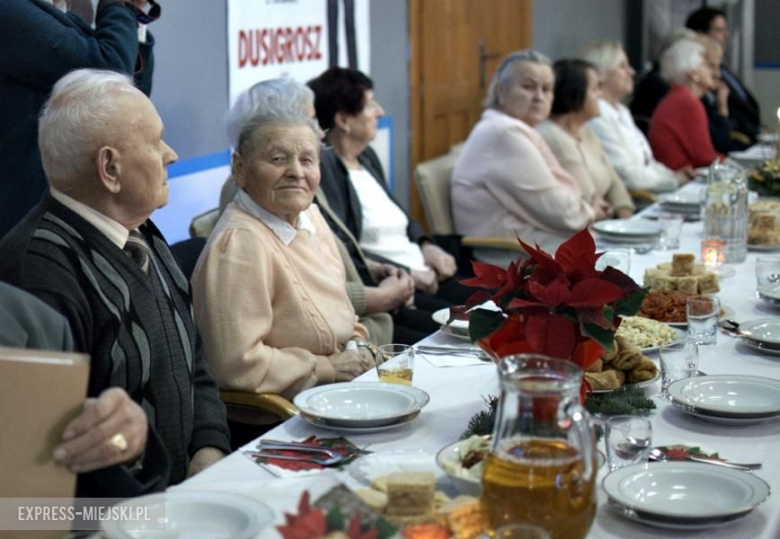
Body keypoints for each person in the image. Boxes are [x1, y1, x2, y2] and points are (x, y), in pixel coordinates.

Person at [0, 69, 230, 497]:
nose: (172, 154)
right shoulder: (37, 275)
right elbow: (40, 482)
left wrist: (209, 453)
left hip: (189, 497)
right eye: (156, 141)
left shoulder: (142, 231)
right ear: (109, 168)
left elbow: (194, 361)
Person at [191, 109, 376, 447]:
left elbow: (343, 313)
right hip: (280, 423)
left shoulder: (311, 218)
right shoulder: (240, 244)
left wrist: (358, 345)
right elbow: (235, 365)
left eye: (308, 160)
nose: (296, 172)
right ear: (240, 169)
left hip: (337, 397)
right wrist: (330, 368)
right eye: (278, 158)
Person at [220, 78, 428, 345]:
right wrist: (379, 296)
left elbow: (322, 258)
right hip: (346, 328)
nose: (320, 132)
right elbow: (298, 292)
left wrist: (375, 269)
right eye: (311, 120)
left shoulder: (304, 181)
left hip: (358, 323)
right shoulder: (249, 199)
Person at [308, 67, 469, 309]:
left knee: (501, 304)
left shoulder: (367, 157)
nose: (380, 112)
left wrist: (427, 246)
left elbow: (399, 214)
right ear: (343, 120)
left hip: (426, 268)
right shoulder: (327, 172)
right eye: (371, 105)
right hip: (399, 285)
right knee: (484, 323)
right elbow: (348, 247)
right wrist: (408, 273)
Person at [0, 0, 156, 238]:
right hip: (25, 224)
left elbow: (128, 94)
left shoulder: (76, 8)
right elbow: (107, 73)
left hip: (78, 217)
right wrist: (120, 6)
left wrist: (131, 16)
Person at [451, 50, 596, 264]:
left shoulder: (514, 128)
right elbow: (566, 214)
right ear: (502, 92)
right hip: (511, 256)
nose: (539, 97)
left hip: (536, 244)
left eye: (546, 89)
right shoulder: (504, 133)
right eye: (528, 87)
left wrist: (582, 208)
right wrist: (587, 209)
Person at [583, 41, 692, 194]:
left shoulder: (621, 111)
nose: (632, 72)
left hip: (653, 192)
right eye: (622, 66)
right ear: (602, 74)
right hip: (636, 199)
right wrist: (672, 181)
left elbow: (647, 163)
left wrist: (673, 175)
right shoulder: (597, 116)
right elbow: (625, 173)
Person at [537, 59, 635, 220]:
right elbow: (588, 197)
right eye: (596, 88)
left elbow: (615, 183)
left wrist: (627, 218)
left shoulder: (585, 130)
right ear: (575, 93)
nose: (601, 95)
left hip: (605, 226)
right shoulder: (553, 136)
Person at [686, 6, 761, 145]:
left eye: (726, 30)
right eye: (719, 30)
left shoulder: (724, 69)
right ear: (701, 33)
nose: (726, 35)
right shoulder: (695, 84)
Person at [648, 38, 725, 170]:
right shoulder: (687, 102)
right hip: (683, 182)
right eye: (706, 65)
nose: (713, 72)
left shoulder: (678, 97)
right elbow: (705, 158)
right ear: (693, 73)